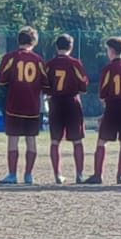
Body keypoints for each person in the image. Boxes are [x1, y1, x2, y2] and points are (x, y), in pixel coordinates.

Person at [0, 27, 47, 184]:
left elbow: (2, 80)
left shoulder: (10, 57)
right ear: (34, 42)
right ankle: (28, 175)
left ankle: (12, 174)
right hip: (32, 106)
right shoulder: (38, 60)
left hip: (14, 105)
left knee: (13, 139)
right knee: (31, 139)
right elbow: (45, 83)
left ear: (19, 40)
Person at [88, 38, 121, 185]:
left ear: (111, 50)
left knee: (102, 141)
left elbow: (103, 93)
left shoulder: (108, 69)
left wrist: (106, 106)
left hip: (112, 107)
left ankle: (98, 175)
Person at [44, 34, 90, 185]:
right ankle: (79, 174)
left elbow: (45, 85)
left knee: (55, 141)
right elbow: (83, 86)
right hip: (72, 102)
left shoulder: (50, 64)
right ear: (71, 47)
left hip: (55, 103)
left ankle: (57, 174)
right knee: (77, 140)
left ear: (57, 47)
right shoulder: (75, 63)